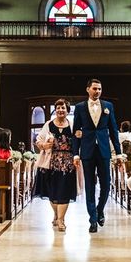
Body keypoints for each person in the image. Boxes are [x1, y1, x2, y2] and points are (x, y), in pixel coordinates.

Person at [72, 78, 121, 233]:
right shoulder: (80, 107)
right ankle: (92, 219)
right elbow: (76, 132)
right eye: (95, 88)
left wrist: (118, 153)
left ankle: (100, 210)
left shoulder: (108, 106)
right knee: (89, 186)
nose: (97, 91)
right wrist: (75, 153)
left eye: (100, 89)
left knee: (106, 184)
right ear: (88, 89)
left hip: (104, 150)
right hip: (87, 150)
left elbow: (113, 130)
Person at [34, 99, 77, 232]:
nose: (60, 110)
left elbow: (79, 141)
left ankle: (61, 220)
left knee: (64, 191)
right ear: (55, 110)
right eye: (58, 108)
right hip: (50, 163)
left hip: (68, 164)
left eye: (63, 108)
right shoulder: (48, 124)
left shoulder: (72, 125)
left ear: (67, 110)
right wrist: (44, 145)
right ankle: (56, 214)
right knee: (52, 192)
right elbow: (38, 141)